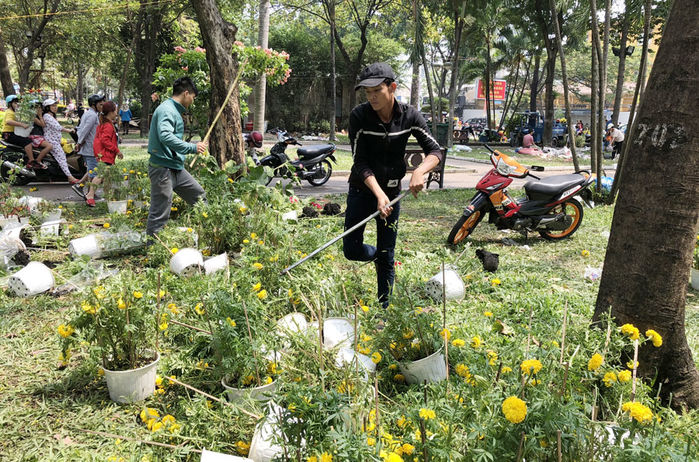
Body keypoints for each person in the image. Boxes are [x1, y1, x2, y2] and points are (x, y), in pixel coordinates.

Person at [344, 62, 442, 308]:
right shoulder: (359, 116)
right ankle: (377, 256)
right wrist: (377, 193)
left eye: (377, 90)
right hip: (362, 190)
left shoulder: (410, 115)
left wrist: (419, 171)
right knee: (351, 250)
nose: (372, 97)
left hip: (392, 192)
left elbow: (435, 150)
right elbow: (359, 162)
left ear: (392, 88)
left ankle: (384, 308)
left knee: (389, 253)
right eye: (368, 93)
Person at [146, 76, 208, 237]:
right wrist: (192, 147)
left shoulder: (173, 110)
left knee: (200, 197)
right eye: (193, 97)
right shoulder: (167, 109)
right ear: (186, 93)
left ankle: (209, 232)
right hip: (162, 169)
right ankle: (153, 250)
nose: (192, 101)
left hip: (176, 168)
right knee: (160, 212)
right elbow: (165, 136)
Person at [84, 101, 122, 207]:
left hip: (103, 154)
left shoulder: (105, 124)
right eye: (115, 110)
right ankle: (90, 195)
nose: (116, 112)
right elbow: (105, 141)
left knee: (107, 176)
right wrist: (117, 151)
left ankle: (107, 197)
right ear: (111, 112)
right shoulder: (108, 126)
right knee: (101, 176)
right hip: (105, 154)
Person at [41, 99, 80, 184]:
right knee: (62, 157)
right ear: (47, 108)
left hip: (56, 140)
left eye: (55, 106)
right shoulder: (47, 116)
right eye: (53, 106)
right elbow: (58, 127)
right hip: (51, 141)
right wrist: (69, 130)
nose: (55, 108)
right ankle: (70, 177)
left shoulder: (51, 116)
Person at [73, 94, 105, 198]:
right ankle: (89, 192)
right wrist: (79, 143)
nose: (102, 106)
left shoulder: (90, 114)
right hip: (90, 148)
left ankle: (83, 187)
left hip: (90, 148)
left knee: (91, 170)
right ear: (93, 105)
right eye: (100, 104)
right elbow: (85, 131)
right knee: (94, 173)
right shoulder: (92, 115)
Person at [2, 95, 39, 168]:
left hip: (13, 133)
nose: (17, 105)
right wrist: (22, 125)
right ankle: (31, 161)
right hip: (9, 134)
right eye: (15, 103)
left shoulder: (15, 112)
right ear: (10, 104)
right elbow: (8, 121)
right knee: (27, 142)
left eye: (18, 103)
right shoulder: (9, 112)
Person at [27, 101, 52, 169]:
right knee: (49, 146)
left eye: (40, 108)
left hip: (40, 136)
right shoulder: (33, 117)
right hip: (35, 136)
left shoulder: (38, 116)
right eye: (37, 108)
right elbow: (43, 125)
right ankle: (38, 160)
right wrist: (40, 116)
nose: (40, 109)